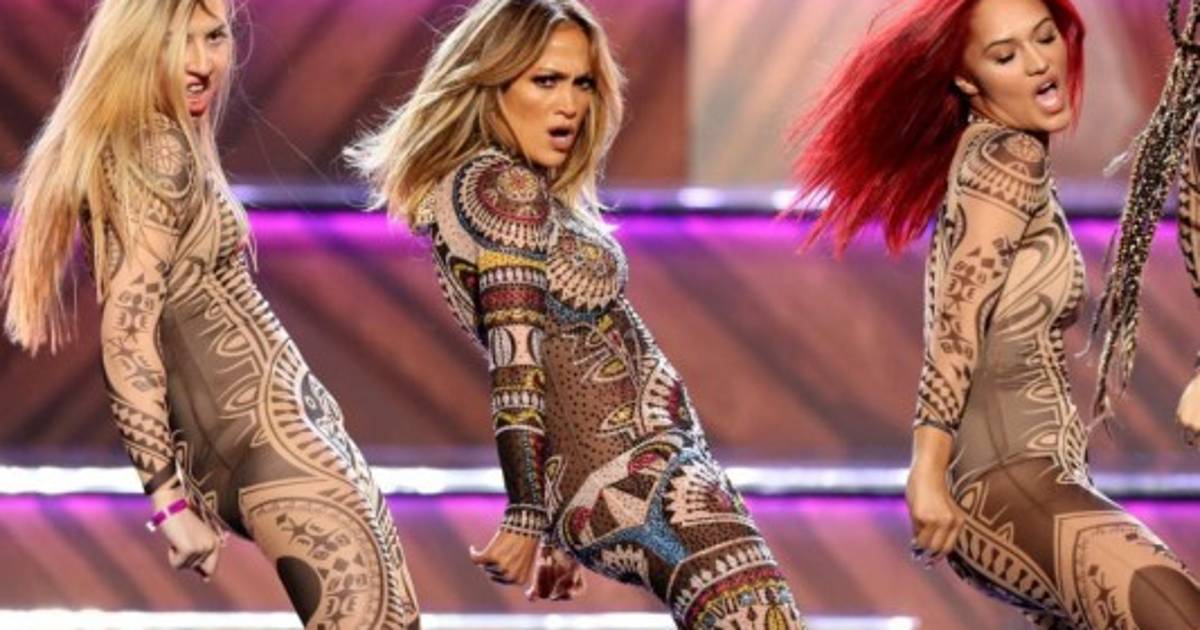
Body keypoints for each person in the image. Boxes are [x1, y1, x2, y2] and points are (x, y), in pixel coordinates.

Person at [348, 1, 804, 627]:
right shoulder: (501, 189)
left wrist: (553, 523)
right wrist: (526, 514)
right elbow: (517, 363)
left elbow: (561, 351)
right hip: (634, 484)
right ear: (489, 81)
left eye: (582, 83)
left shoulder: (499, 186)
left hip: (643, 478)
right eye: (546, 80)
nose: (569, 105)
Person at [1, 1, 420, 627]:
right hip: (266, 448)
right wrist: (168, 503)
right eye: (180, 41)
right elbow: (128, 331)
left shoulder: (170, 139)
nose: (202, 63)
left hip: (291, 438)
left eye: (215, 37)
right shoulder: (155, 147)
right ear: (139, 46)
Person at [791, 0, 1200, 626]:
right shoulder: (1009, 157)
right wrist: (926, 469)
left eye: (1045, 38)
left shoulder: (998, 153)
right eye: (1006, 55)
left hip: (1039, 481)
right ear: (966, 79)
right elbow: (958, 317)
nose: (1039, 64)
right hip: (1004, 486)